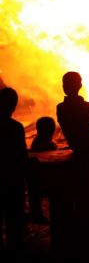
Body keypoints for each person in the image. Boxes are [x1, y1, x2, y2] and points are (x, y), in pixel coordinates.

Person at [57, 71, 89, 255]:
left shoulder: (61, 108)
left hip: (79, 151)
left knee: (81, 194)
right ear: (80, 86)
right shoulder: (88, 107)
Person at [0, 88, 27, 256]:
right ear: (14, 106)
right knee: (14, 219)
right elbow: (21, 153)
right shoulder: (16, 127)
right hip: (12, 179)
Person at [26, 116, 58, 225]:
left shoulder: (38, 141)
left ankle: (36, 213)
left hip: (37, 178)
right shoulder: (46, 144)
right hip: (43, 179)